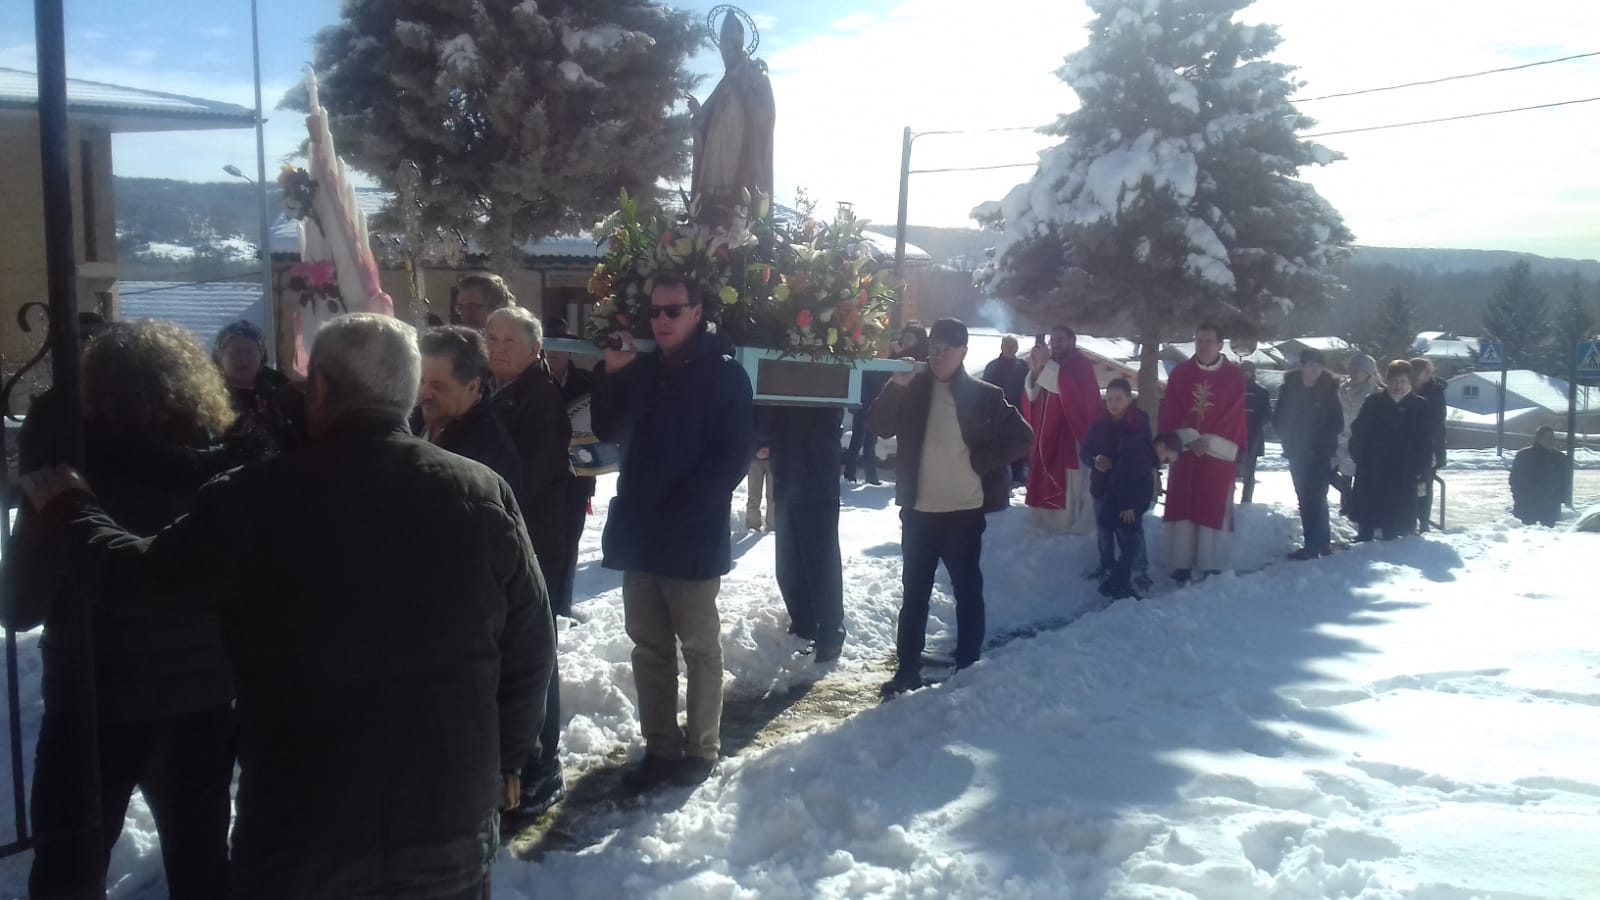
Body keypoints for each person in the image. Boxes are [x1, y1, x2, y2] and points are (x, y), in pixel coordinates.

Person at [13, 313, 554, 899]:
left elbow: (134, 579)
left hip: (303, 834)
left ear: (318, 387)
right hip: (449, 825)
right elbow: (531, 638)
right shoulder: (481, 493)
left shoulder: (254, 497)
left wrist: (71, 508)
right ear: (408, 390)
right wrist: (505, 759)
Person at [5, 321, 238, 899]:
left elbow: (20, 607)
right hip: (203, 699)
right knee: (202, 862)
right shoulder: (222, 468)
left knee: (68, 870)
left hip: (95, 699)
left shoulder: (70, 478)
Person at [592, 275, 754, 790]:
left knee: (700, 648)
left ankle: (701, 748)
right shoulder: (640, 371)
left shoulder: (725, 376)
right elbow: (607, 430)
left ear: (697, 311)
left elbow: (731, 458)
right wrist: (613, 375)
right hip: (640, 533)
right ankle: (660, 747)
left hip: (690, 536)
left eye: (673, 311)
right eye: (655, 311)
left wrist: (682, 509)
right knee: (648, 647)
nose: (661, 320)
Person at [872, 318, 1033, 694]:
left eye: (948, 350)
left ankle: (968, 664)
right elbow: (879, 426)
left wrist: (980, 463)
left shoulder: (984, 394)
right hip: (919, 510)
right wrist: (894, 389)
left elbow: (1022, 437)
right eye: (934, 349)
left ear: (963, 353)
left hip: (963, 511)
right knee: (914, 592)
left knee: (966, 588)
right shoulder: (910, 388)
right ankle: (907, 670)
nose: (939, 356)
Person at [480, 307, 574, 821]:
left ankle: (545, 764)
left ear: (535, 349)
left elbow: (525, 479)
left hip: (534, 543)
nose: (496, 347)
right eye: (491, 337)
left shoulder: (539, 400)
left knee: (537, 657)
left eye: (508, 340)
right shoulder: (492, 391)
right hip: (506, 544)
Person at [1157, 323, 1248, 582]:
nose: (1203, 345)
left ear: (1220, 344)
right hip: (1186, 452)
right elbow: (1171, 410)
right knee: (1184, 502)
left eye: (1209, 341)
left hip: (1216, 452)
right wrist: (1188, 438)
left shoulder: (1233, 376)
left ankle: (1210, 562)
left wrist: (1208, 441)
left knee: (1212, 503)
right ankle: (1182, 562)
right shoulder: (1180, 374)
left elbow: (1235, 414)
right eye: (1199, 340)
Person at [763, 402, 847, 661]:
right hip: (786, 477)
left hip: (817, 479)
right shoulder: (781, 374)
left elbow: (828, 420)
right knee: (789, 563)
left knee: (820, 562)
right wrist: (762, 438)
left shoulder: (826, 372)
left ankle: (831, 631)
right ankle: (803, 624)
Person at [416, 327, 527, 503]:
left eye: (437, 386)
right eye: (421, 381)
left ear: (472, 387)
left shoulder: (489, 455)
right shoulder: (409, 422)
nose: (424, 393)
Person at [687, 10, 775, 229]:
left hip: (740, 152)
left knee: (738, 195)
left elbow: (767, 114)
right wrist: (700, 115)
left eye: (729, 49)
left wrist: (747, 94)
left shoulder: (754, 74)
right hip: (716, 155)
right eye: (723, 50)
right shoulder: (725, 81)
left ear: (738, 46)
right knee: (711, 199)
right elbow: (710, 113)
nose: (725, 55)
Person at [544, 317, 606, 616]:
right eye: (548, 345)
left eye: (560, 346)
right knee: (544, 545)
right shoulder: (535, 381)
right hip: (540, 479)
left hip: (577, 478)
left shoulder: (585, 383)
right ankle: (542, 607)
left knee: (570, 543)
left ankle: (563, 607)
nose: (553, 352)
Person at [1078, 379, 1156, 599]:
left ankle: (1140, 570)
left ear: (1129, 400)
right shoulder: (1099, 423)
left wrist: (1118, 464)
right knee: (1104, 530)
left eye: (1119, 399)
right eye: (1110, 398)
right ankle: (1107, 565)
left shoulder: (1139, 423)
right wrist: (1096, 460)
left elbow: (1142, 458)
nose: (1113, 403)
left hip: (1127, 488)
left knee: (1130, 531)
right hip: (1102, 485)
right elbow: (1086, 452)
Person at [1023, 326, 1101, 534]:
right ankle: (1042, 521)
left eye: (1060, 339)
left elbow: (1073, 393)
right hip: (1047, 432)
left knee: (1070, 480)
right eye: (1052, 340)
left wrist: (1045, 366)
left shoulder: (1081, 364)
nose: (1055, 343)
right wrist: (1035, 372)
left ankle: (1067, 524)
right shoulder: (1051, 364)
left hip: (1072, 433)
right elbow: (1032, 396)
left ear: (1072, 341)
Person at [1348, 360, 1434, 541]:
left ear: (1409, 382)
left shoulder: (1420, 406)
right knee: (1368, 509)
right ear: (1387, 381)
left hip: (1403, 470)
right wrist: (1360, 457)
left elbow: (1426, 442)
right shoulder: (1374, 402)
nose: (1398, 386)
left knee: (1395, 516)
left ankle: (1392, 540)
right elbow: (1358, 431)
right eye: (1394, 381)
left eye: (1403, 381)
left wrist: (1421, 469)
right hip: (1373, 466)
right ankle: (1364, 538)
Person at [1273, 348, 1344, 559]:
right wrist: (1290, 440)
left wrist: (1323, 442)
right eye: (1312, 366)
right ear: (1302, 366)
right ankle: (1312, 542)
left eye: (1320, 367)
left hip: (1321, 452)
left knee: (1317, 496)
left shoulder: (1328, 389)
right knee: (1304, 497)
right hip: (1297, 452)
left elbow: (1337, 422)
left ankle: (1320, 543)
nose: (1316, 371)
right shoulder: (1289, 388)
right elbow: (1278, 419)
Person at [213, 319, 308, 458]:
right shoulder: (210, 395)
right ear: (220, 357)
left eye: (250, 351)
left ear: (261, 354)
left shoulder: (280, 389)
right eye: (235, 352)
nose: (243, 358)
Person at [983, 335, 1031, 486]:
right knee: (1000, 444)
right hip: (998, 411)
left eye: (1013, 346)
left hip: (1019, 410)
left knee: (1017, 441)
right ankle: (998, 476)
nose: (1010, 349)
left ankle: (1018, 474)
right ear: (1002, 347)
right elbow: (985, 389)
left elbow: (1030, 385)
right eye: (1007, 346)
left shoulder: (1023, 366)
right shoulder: (992, 367)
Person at [1335, 352, 1382, 504]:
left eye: (1358, 370)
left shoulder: (1376, 395)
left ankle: (1359, 509)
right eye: (1351, 369)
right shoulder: (1342, 390)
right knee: (1340, 479)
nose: (1353, 373)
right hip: (1341, 442)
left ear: (1368, 373)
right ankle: (1346, 507)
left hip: (1364, 446)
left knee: (1362, 483)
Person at [1409, 357, 1449, 532]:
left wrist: (1434, 451)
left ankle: (1423, 523)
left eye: (1425, 372)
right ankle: (1408, 520)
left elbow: (1437, 423)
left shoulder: (1435, 392)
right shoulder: (1404, 387)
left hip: (1429, 446)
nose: (1420, 376)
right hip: (1407, 445)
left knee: (1424, 486)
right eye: (1417, 372)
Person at [1510, 426, 1570, 527]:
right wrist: (1519, 497)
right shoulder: (1524, 455)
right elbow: (1515, 480)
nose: (1551, 442)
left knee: (1548, 537)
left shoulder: (1558, 457)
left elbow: (1565, 480)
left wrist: (1560, 497)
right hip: (1527, 505)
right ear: (1538, 438)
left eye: (1552, 439)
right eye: (1547, 439)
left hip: (1550, 506)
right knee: (1526, 536)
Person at [842, 370, 885, 485]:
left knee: (867, 444)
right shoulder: (868, 370)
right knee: (859, 443)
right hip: (863, 409)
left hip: (869, 409)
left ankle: (865, 477)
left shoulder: (875, 370)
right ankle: (852, 475)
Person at [1238, 361, 1272, 504]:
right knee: (1229, 468)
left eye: (1248, 371)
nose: (1246, 373)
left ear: (1253, 372)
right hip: (1234, 434)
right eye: (1243, 370)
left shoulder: (1262, 392)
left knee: (1249, 470)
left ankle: (1246, 500)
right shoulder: (1233, 389)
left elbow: (1267, 414)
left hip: (1253, 435)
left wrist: (1257, 423)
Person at [746, 444, 774, 531]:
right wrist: (755, 451)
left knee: (774, 496)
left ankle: (773, 527)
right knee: (754, 495)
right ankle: (752, 525)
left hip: (775, 459)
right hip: (755, 459)